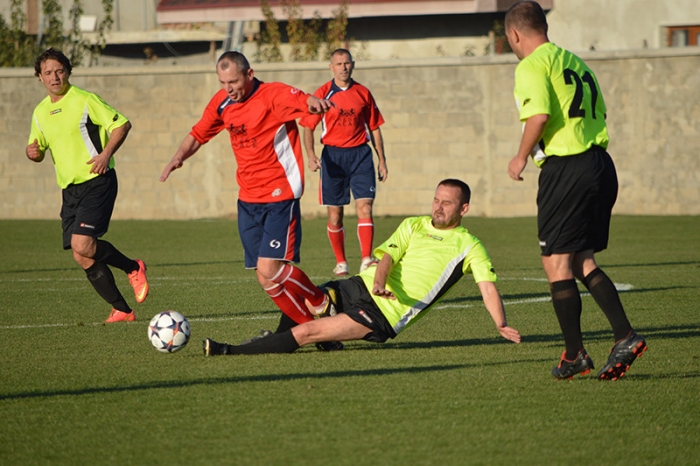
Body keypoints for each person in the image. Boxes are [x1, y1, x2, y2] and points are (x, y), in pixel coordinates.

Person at [202, 179, 521, 356]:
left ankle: (229, 351)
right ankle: (281, 340)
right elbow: (387, 257)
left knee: (308, 330)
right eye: (436, 199)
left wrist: (500, 323)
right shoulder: (415, 224)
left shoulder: (469, 245)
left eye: (447, 203)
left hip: (384, 315)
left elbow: (487, 287)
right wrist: (379, 281)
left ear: (463, 208)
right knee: (310, 296)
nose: (437, 207)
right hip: (359, 285)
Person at [504, 1, 646, 380]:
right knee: (582, 260)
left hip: (567, 166)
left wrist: (519, 157)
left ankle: (576, 354)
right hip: (600, 163)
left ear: (515, 34)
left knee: (555, 262)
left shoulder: (532, 65)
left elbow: (540, 115)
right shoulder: (574, 61)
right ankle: (622, 337)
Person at [160, 51, 340, 344]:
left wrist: (315, 103)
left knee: (271, 268)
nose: (228, 88)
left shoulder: (272, 95)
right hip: (248, 198)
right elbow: (198, 134)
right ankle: (319, 334)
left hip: (280, 193)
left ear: (249, 74)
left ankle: (321, 301)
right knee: (263, 277)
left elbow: (302, 99)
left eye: (233, 81)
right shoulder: (222, 103)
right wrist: (177, 157)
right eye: (222, 82)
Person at [26, 48, 149, 323]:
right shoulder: (40, 113)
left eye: (59, 70)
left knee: (83, 243)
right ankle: (123, 310)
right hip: (70, 191)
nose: (54, 77)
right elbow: (37, 148)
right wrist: (32, 153)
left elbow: (122, 124)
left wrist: (106, 155)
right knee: (81, 255)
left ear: (67, 72)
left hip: (98, 181)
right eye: (48, 72)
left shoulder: (84, 99)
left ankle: (132, 267)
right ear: (40, 78)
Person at [300, 49, 388, 276]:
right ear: (331, 67)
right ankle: (341, 261)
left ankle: (367, 259)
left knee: (365, 207)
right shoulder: (322, 94)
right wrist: (310, 155)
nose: (343, 67)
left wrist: (382, 160)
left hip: (361, 155)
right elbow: (308, 127)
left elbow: (374, 127)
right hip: (333, 158)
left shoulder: (363, 93)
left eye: (347, 63)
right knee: (335, 215)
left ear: (353, 64)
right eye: (338, 64)